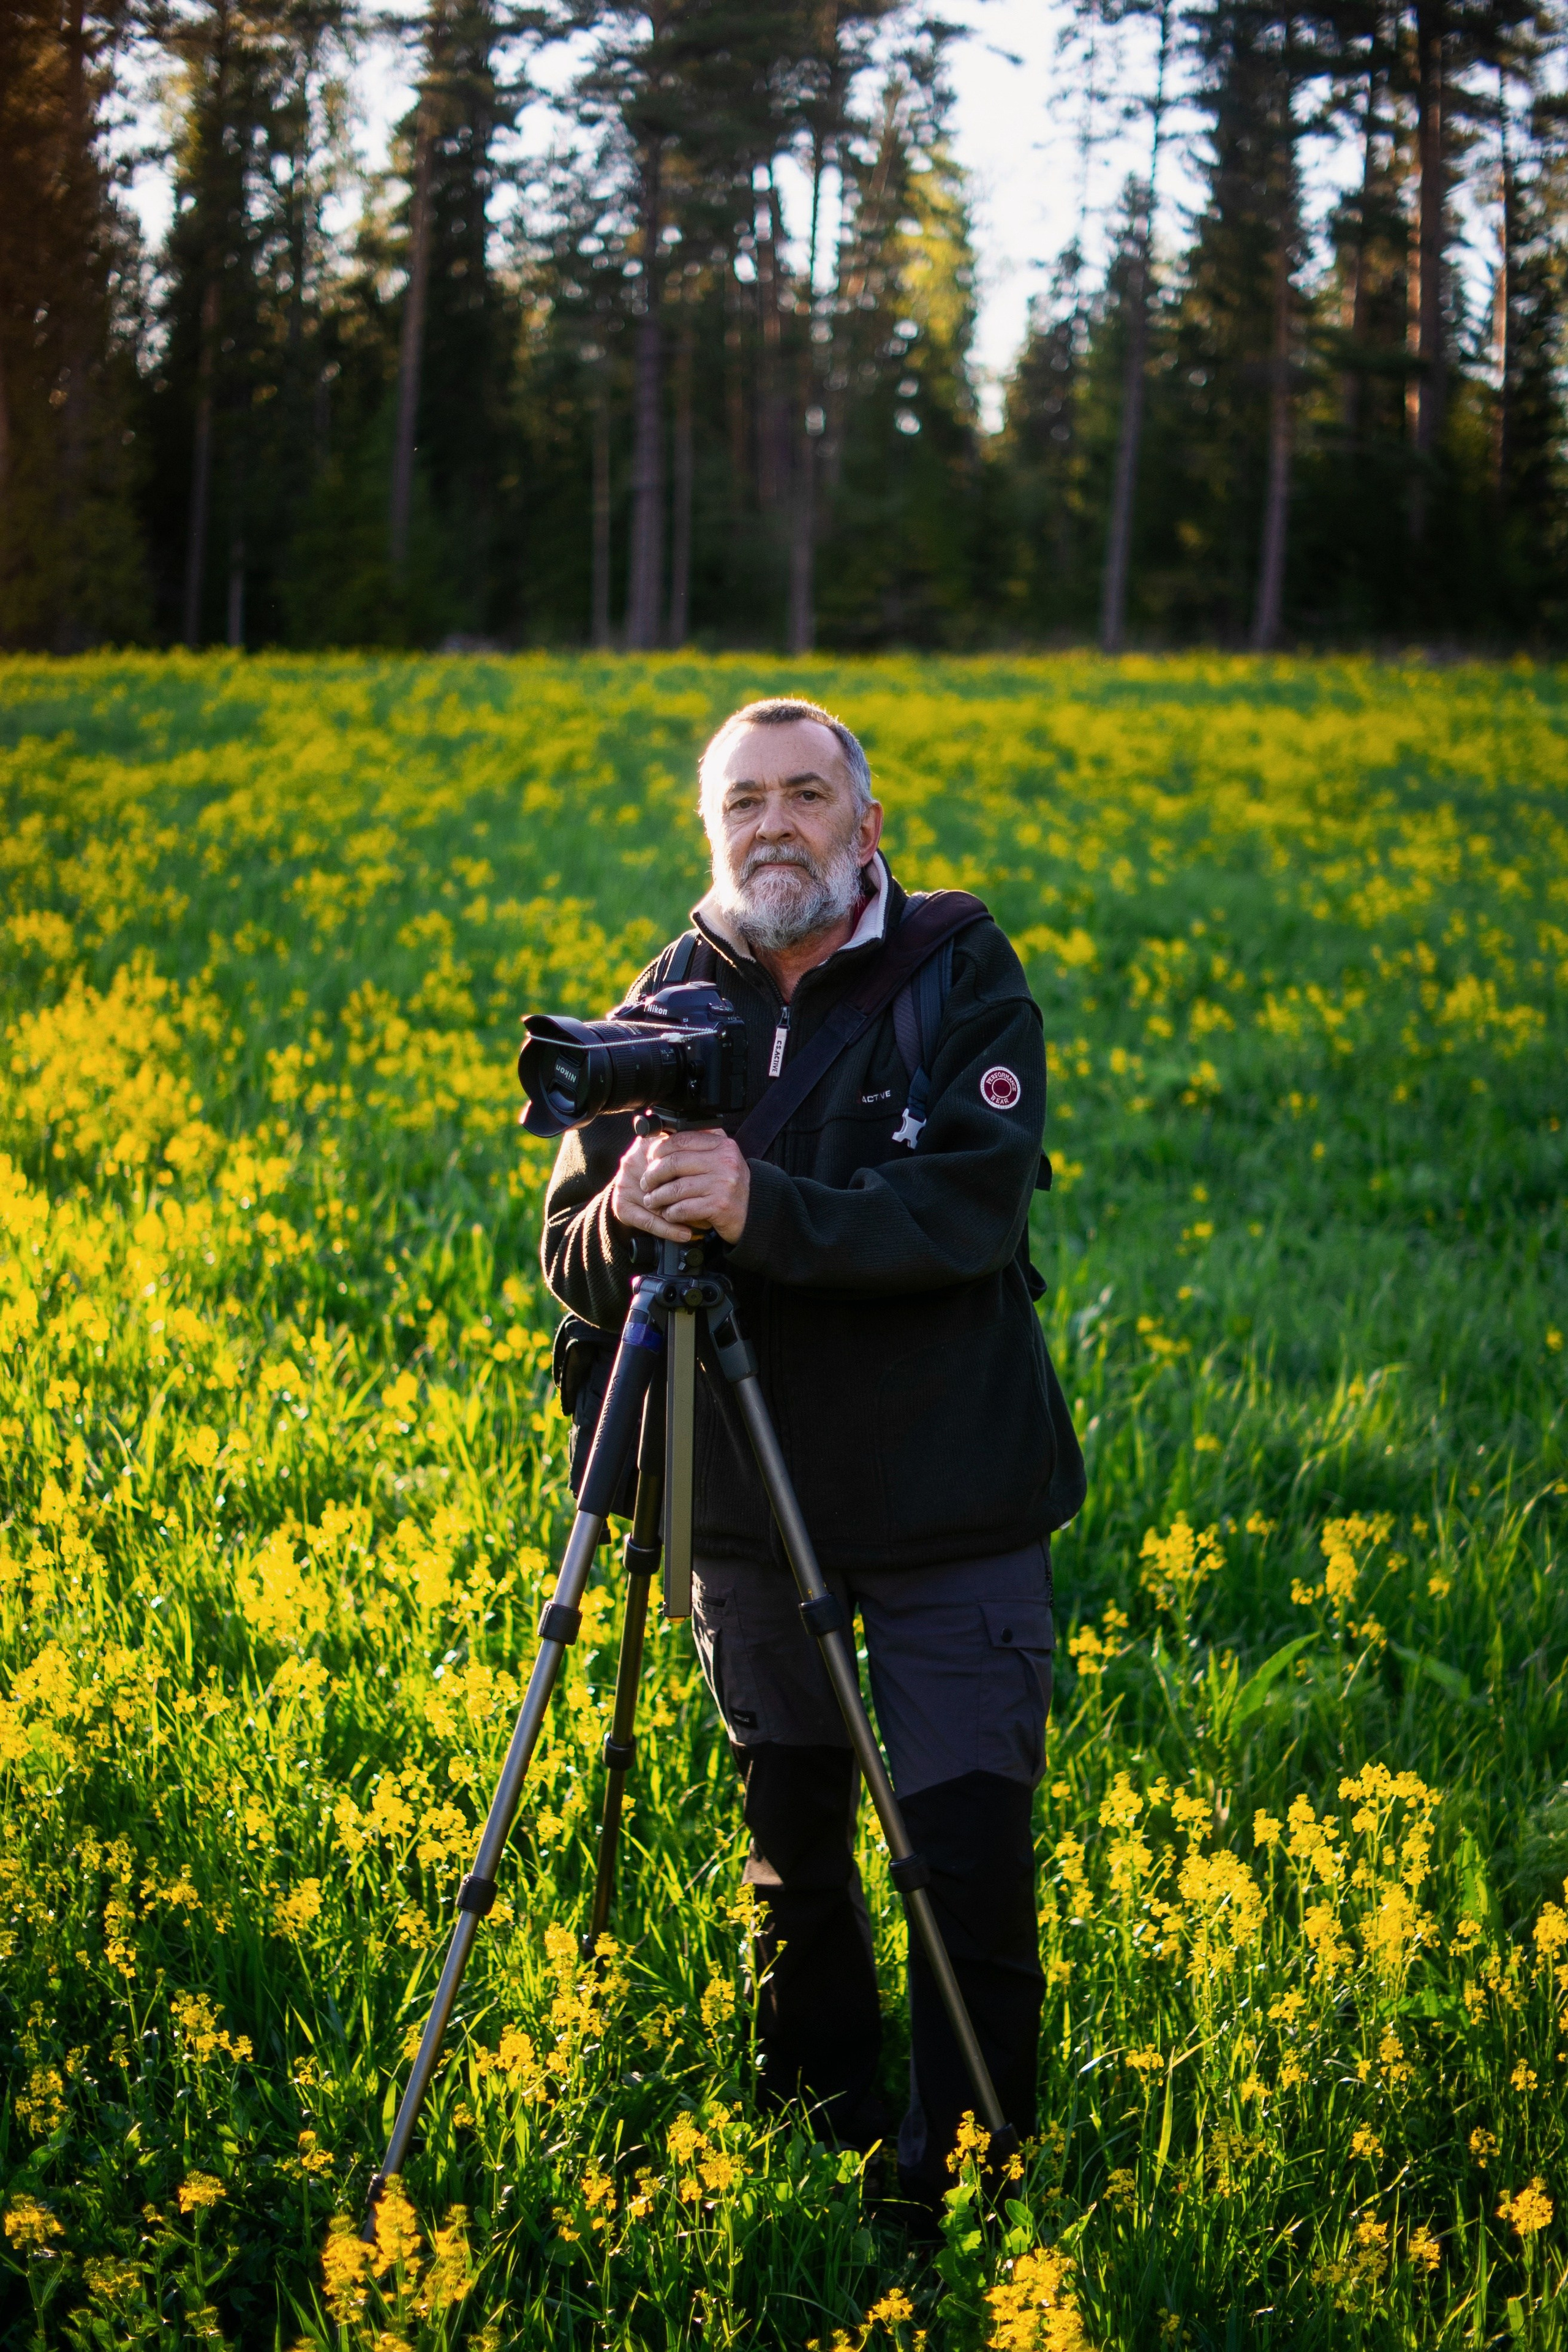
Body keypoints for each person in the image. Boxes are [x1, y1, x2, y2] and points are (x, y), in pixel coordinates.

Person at [541, 696, 1084, 2208]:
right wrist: (629, 1213)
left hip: (947, 1508)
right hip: (743, 1513)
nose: (772, 826)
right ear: (708, 830)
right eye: (742, 802)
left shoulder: (957, 975)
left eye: (803, 795)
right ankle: (812, 2138)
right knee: (791, 1857)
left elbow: (970, 1212)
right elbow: (568, 1258)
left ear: (866, 823)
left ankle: (963, 2179)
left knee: (963, 1857)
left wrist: (757, 1209)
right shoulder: (660, 1001)